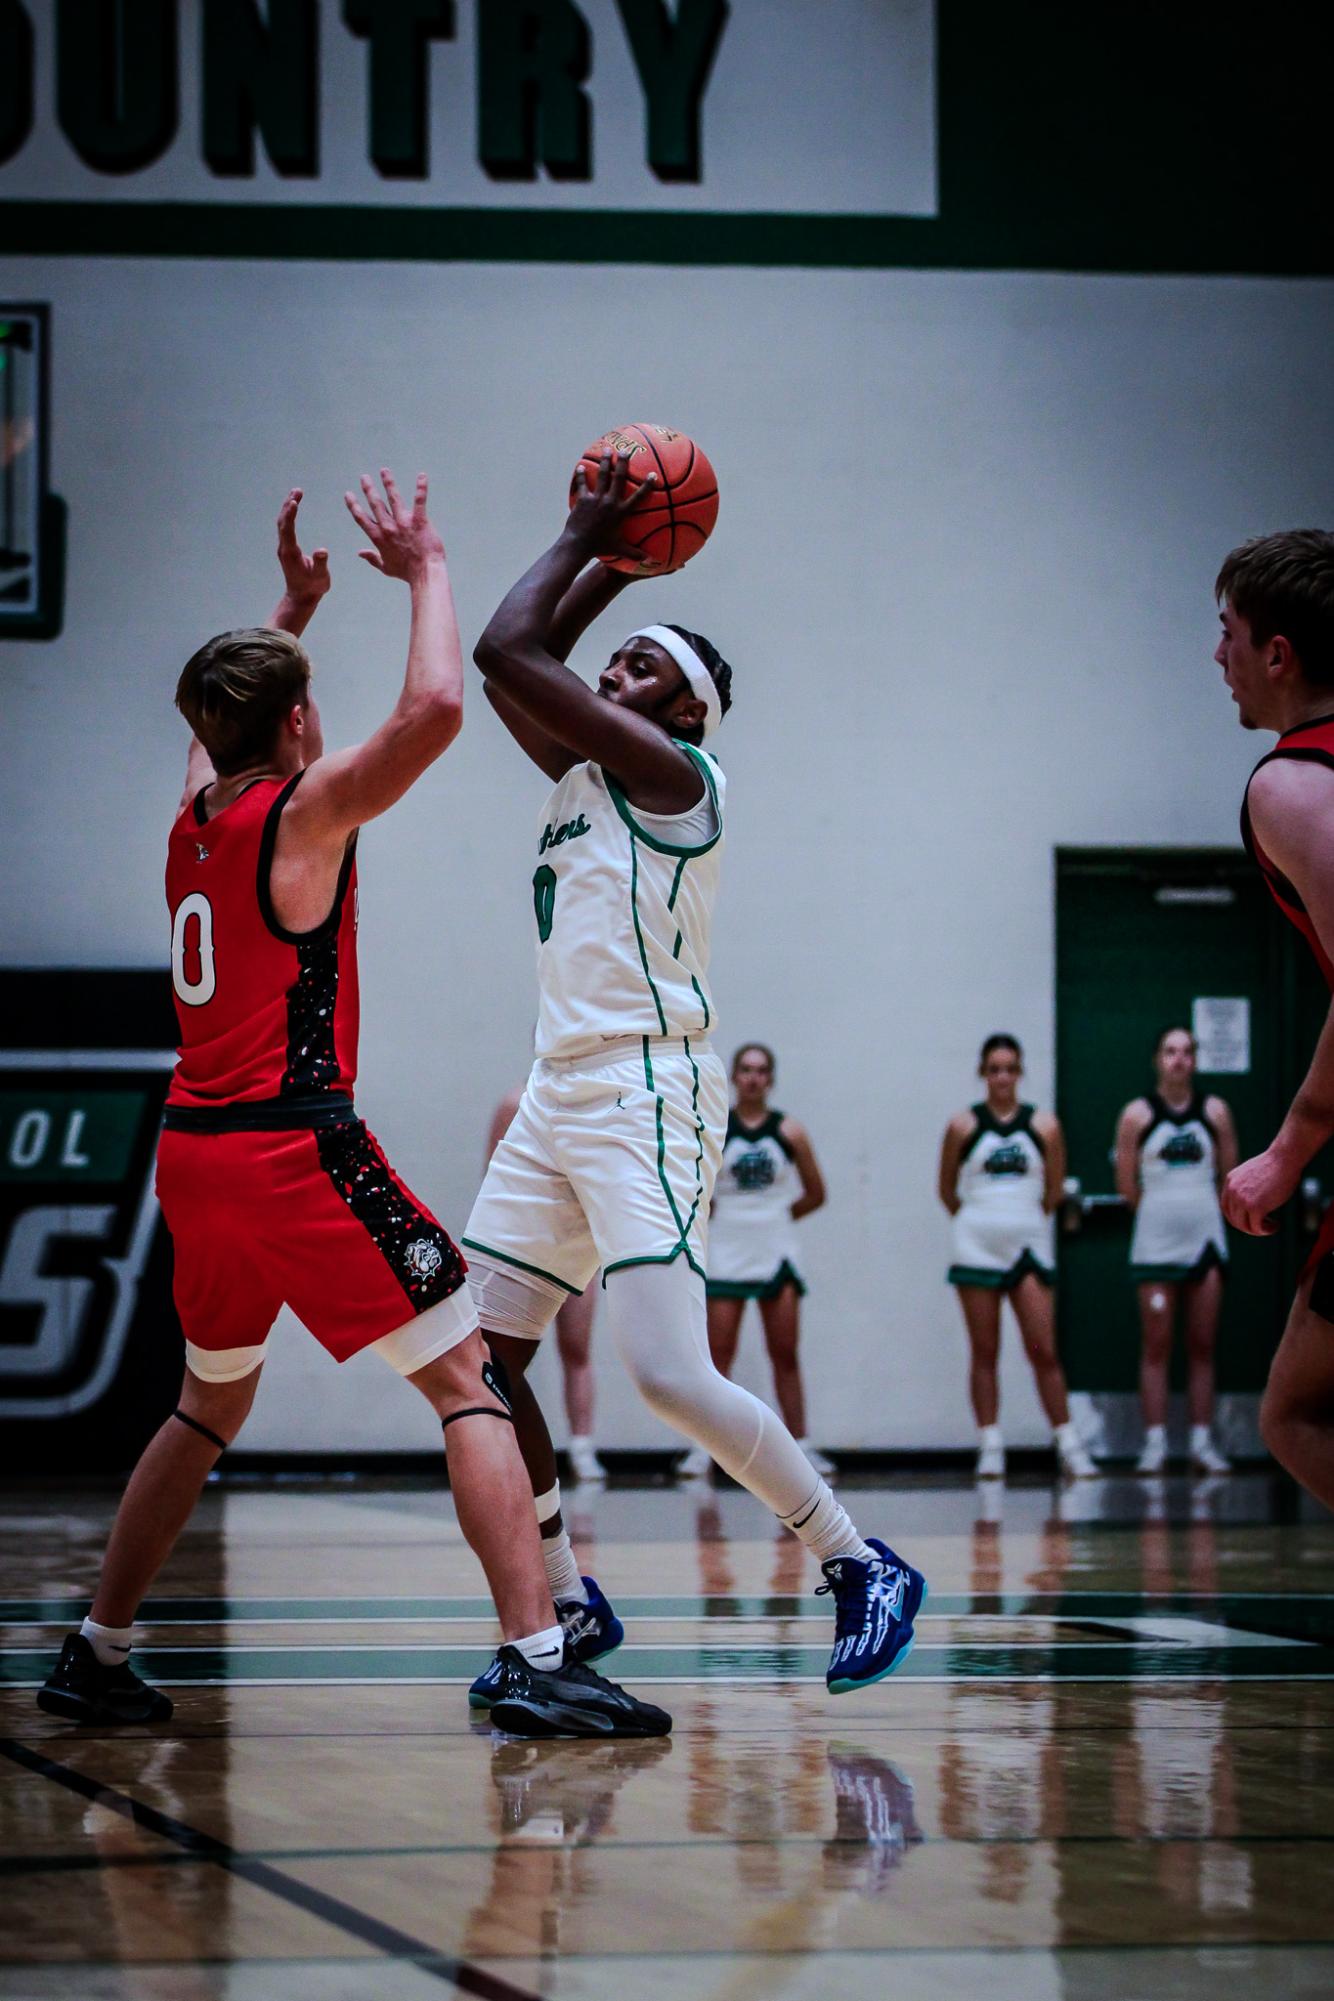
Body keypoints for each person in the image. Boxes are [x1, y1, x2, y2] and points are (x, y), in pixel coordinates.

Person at [36, 475, 668, 1740]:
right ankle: (537, 1653)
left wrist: (295, 606)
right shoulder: (302, 813)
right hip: (292, 1148)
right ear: (299, 722)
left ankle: (95, 1653)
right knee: (467, 1377)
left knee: (205, 1403)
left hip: (193, 1159)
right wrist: (427, 563)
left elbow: (226, 713)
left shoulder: (193, 816)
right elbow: (435, 706)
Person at [462, 446, 927, 1702]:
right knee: (482, 1354)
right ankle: (564, 1590)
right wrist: (609, 563)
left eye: (643, 669)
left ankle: (854, 1559)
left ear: (683, 715)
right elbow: (514, 661)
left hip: (644, 1090)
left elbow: (512, 651)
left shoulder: (677, 782)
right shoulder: (579, 778)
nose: (614, 672)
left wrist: (589, 543)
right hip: (558, 1089)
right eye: (617, 658)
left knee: (666, 1374)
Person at [1216, 528, 1334, 1511]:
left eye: (1226, 633)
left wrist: (1287, 1148)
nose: (1215, 657)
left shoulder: (1290, 783)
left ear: (1276, 653)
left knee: (1292, 1415)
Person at [939, 1034, 1095, 1481]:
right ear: (982, 1073)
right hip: (976, 1247)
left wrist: (1020, 1219)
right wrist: (983, 1220)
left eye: (1010, 1068)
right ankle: (990, 1444)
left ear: (1020, 1072)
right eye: (994, 1068)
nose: (1002, 1077)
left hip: (1027, 1245)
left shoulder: (1044, 1126)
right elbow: (947, 1191)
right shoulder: (962, 1126)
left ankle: (1068, 1442)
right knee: (984, 1350)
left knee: (1043, 1348)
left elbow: (1054, 1190)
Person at [679, 1040, 830, 1479]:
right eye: (745, 1069)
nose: (752, 1078)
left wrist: (775, 1219)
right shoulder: (713, 1130)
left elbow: (817, 1193)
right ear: (732, 1077)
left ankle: (802, 1446)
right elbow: (697, 1194)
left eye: (761, 1070)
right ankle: (703, 1449)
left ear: (771, 1079)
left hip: (776, 1254)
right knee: (716, 1359)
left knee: (785, 1353)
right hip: (727, 1254)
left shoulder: (791, 1132)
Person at [1114, 1028, 1237, 1474]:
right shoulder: (1136, 1115)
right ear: (1157, 1059)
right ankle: (1155, 1443)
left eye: (1187, 1052)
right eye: (1170, 1051)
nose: (1179, 1060)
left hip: (1205, 1240)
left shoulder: (1216, 1112)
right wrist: (1162, 1213)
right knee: (1156, 1345)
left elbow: (1233, 1177)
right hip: (1155, 1242)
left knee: (1203, 1344)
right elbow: (1126, 1184)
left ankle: (1203, 1442)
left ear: (1196, 1060)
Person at [488, 1085, 603, 1482]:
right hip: (522, 1245)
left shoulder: (597, 1104)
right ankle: (498, 1445)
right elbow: (495, 1176)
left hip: (575, 1246)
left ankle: (582, 1448)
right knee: (502, 1356)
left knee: (577, 1347)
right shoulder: (515, 1103)